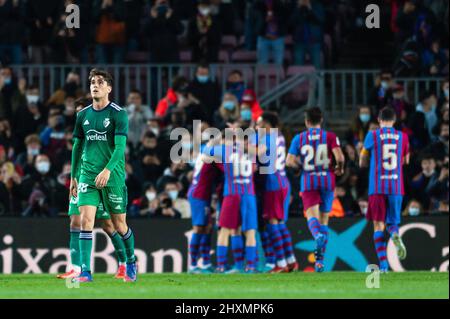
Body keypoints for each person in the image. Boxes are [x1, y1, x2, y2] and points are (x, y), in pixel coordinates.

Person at [70, 68, 136, 283]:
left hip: (112, 177)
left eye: (99, 82)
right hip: (88, 176)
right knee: (85, 221)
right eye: (92, 82)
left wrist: (107, 170)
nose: (95, 85)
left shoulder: (118, 113)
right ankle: (85, 272)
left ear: (109, 87)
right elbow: (77, 147)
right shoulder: (82, 115)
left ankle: (131, 261)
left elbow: (120, 148)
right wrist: (73, 176)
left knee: (119, 225)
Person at [286, 106, 345, 272]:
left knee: (311, 217)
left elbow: (289, 161)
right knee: (324, 219)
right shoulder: (330, 136)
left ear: (306, 122)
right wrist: (339, 168)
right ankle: (320, 262)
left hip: (309, 180)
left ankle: (317, 236)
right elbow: (340, 156)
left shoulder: (299, 138)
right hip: (327, 179)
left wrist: (299, 166)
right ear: (321, 121)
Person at [359, 107, 410, 272]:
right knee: (392, 222)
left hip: (377, 186)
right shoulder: (403, 137)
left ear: (379, 120)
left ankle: (383, 265)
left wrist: (364, 164)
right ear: (394, 121)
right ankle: (395, 234)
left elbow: (363, 157)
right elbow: (406, 160)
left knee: (378, 224)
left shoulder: (372, 135)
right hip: (396, 186)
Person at [206, 133, 259, 273]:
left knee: (225, 230)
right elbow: (255, 169)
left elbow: (205, 153)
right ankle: (251, 266)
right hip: (248, 194)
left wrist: (214, 141)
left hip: (231, 194)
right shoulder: (252, 151)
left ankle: (221, 265)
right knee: (250, 232)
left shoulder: (225, 149)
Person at [256, 112, 298, 273]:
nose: (257, 127)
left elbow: (260, 152)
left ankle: (280, 263)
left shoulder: (268, 137)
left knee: (273, 222)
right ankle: (291, 260)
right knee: (280, 222)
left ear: (267, 124)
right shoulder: (279, 135)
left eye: (259, 124)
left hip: (273, 183)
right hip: (282, 180)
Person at [186, 143, 221, 273]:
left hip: (203, 195)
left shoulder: (206, 152)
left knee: (207, 228)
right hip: (198, 195)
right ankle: (193, 265)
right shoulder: (210, 154)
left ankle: (206, 263)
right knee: (199, 228)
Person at [289, 0, 325, 69]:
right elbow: (291, 22)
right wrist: (297, 8)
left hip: (314, 40)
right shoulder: (295, 5)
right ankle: (298, 80)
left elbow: (320, 20)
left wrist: (310, 8)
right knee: (298, 67)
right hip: (299, 40)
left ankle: (316, 80)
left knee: (316, 66)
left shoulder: (317, 5)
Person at [253, 0, 289, 65]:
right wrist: (264, 18)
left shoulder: (281, 4)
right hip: (263, 37)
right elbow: (253, 19)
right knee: (262, 63)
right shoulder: (257, 4)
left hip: (278, 38)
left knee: (278, 63)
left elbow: (286, 19)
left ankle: (279, 75)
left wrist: (274, 17)